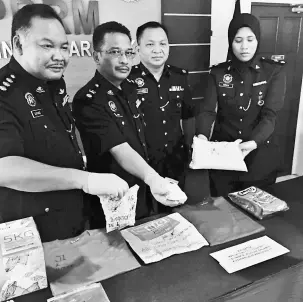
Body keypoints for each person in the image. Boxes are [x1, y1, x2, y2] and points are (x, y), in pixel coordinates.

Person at [0, 4, 129, 242]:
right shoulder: (4, 92)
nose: (59, 56)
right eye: (47, 46)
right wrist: (84, 180)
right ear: (18, 44)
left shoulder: (54, 83)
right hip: (33, 232)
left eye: (64, 47)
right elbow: (4, 168)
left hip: (70, 219)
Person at [73, 22, 178, 228]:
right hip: (114, 198)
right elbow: (119, 148)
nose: (124, 60)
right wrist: (152, 177)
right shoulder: (88, 99)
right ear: (96, 57)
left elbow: (140, 139)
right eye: (114, 52)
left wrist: (156, 177)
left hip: (142, 188)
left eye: (128, 53)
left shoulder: (130, 88)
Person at [197, 13, 286, 197]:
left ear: (258, 39)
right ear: (231, 42)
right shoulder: (218, 72)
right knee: (225, 215)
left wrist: (251, 143)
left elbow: (270, 115)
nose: (244, 46)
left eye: (250, 39)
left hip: (259, 156)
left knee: (259, 216)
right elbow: (207, 111)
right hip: (224, 159)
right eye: (238, 40)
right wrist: (203, 138)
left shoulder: (273, 72)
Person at [129, 21, 209, 204]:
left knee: (174, 208)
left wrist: (189, 148)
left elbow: (188, 116)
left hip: (175, 158)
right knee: (144, 212)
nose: (157, 50)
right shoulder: (128, 80)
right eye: (150, 44)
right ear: (138, 48)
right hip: (143, 162)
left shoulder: (179, 77)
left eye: (162, 44)